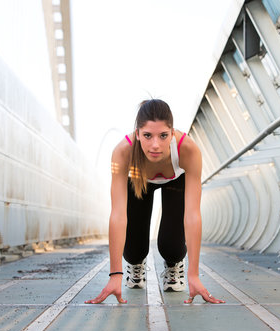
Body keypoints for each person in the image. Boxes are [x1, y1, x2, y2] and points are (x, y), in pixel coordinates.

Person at [85, 99, 224, 304]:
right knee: (133, 251)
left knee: (171, 247)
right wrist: (116, 274)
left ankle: (174, 266)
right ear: (138, 134)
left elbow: (193, 215)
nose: (155, 145)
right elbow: (118, 214)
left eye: (163, 136)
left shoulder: (188, 150)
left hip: (176, 181)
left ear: (172, 133)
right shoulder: (122, 152)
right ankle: (135, 266)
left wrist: (193, 275)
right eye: (148, 136)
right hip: (138, 179)